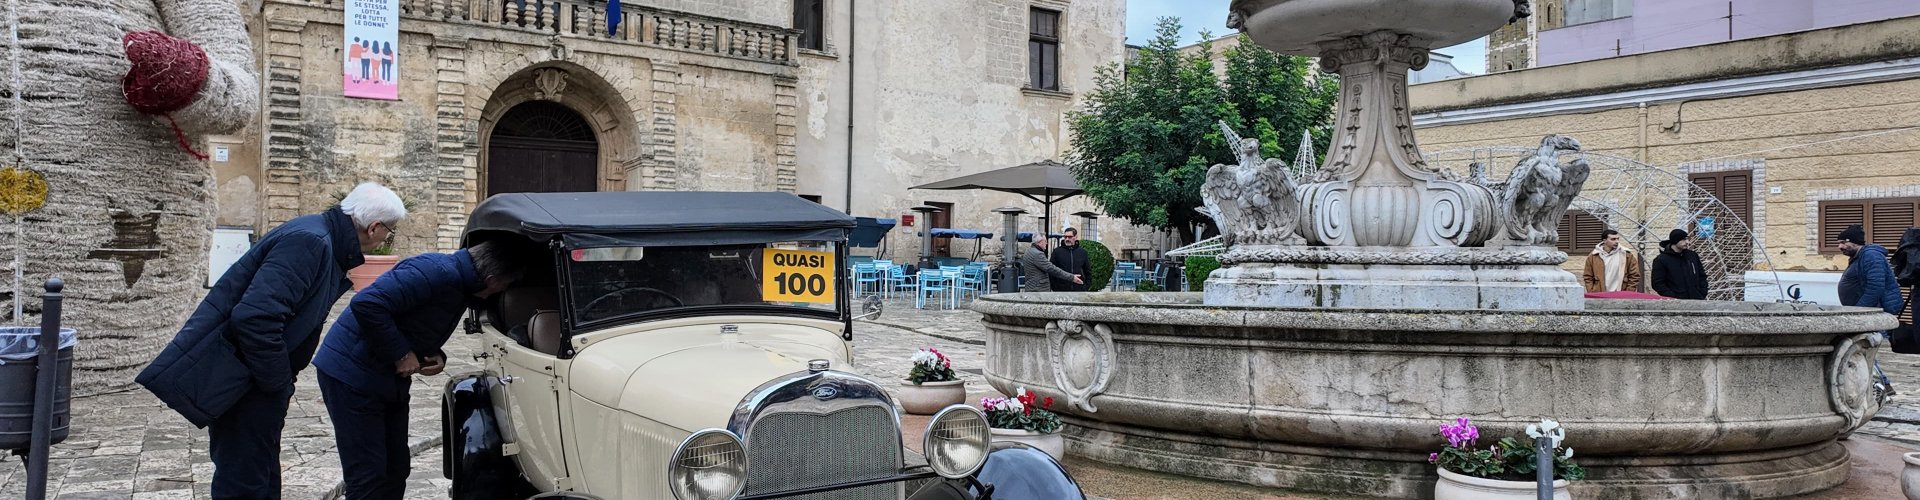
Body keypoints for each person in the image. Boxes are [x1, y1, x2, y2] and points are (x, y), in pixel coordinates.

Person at [137, 182, 406, 499]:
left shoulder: (320, 237)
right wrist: (276, 383)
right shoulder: (311, 242)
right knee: (244, 481)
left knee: (260, 472)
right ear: (374, 227)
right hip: (244, 378)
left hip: (251, 376)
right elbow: (256, 317)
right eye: (390, 232)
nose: (386, 239)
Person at [314, 240, 526, 500]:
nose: (501, 292)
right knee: (368, 474)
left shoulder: (460, 284)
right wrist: (402, 354)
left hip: (384, 377)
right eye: (504, 286)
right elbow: (367, 303)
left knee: (396, 468)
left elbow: (418, 323)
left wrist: (434, 354)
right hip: (351, 375)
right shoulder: (434, 272)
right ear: (491, 280)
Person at [1836, 224, 1900, 398]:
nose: (1840, 246)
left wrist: (1860, 311)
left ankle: (1881, 386)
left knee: (1865, 349)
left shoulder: (1871, 256)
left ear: (1855, 242)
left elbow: (1875, 286)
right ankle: (1883, 384)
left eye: (1843, 242)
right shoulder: (1859, 256)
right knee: (1864, 350)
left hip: (1870, 314)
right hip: (1865, 312)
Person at [1650, 228, 1708, 300]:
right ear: (1675, 241)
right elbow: (1657, 283)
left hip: (1697, 299)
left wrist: (1702, 292)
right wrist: (1672, 297)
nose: (1687, 242)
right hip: (1675, 302)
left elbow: (1702, 275)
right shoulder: (1661, 260)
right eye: (1683, 239)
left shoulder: (1692, 256)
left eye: (1687, 239)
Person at [1581, 229, 1642, 293]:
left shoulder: (1626, 255)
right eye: (1613, 239)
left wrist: (1628, 292)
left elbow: (1635, 275)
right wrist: (1591, 291)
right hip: (1600, 294)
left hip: (1620, 294)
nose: (1617, 241)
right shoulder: (1593, 256)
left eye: (1617, 239)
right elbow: (1588, 276)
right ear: (1604, 241)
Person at [1049, 227, 1093, 292]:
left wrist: (1086, 287)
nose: (1067, 239)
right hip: (1061, 290)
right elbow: (1051, 270)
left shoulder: (1082, 252)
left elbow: (1088, 271)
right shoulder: (1057, 252)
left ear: (1075, 237)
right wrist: (1055, 287)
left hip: (1079, 289)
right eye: (1065, 237)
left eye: (1070, 237)